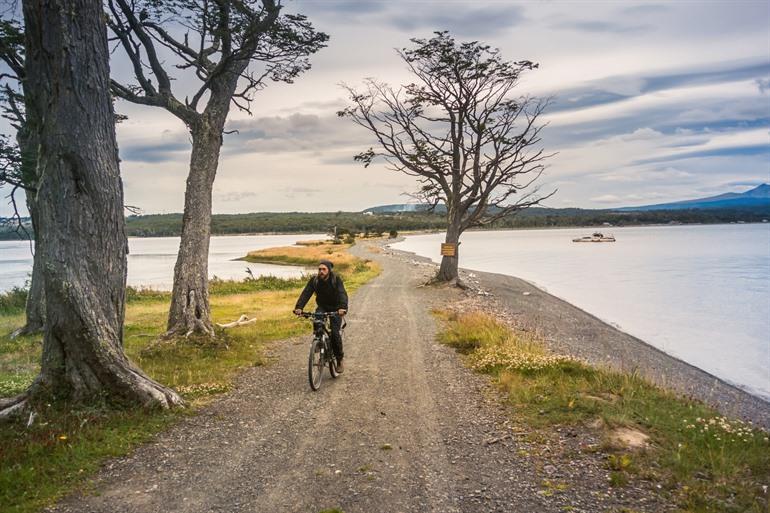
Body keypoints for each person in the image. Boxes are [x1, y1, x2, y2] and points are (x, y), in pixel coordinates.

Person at [294, 259, 349, 372]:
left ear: (329, 270)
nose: (321, 271)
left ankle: (339, 359)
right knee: (317, 321)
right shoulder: (315, 280)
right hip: (323, 306)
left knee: (334, 333)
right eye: (319, 269)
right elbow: (306, 293)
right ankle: (319, 343)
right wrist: (299, 307)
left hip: (336, 308)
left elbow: (342, 293)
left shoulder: (336, 279)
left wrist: (342, 308)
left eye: (323, 269)